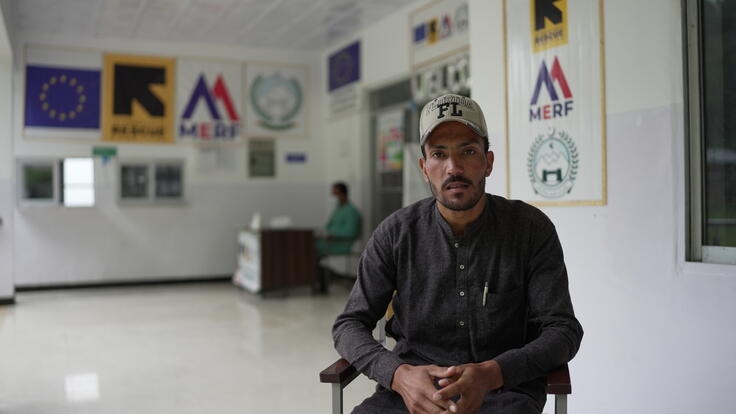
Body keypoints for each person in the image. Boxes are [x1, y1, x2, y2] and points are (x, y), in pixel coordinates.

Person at [332, 94, 583, 414]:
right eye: (439, 154)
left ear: (488, 162)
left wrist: (494, 372)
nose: (453, 167)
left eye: (468, 151)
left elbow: (563, 330)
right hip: (411, 394)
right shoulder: (395, 234)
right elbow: (349, 325)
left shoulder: (530, 230)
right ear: (424, 167)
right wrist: (397, 375)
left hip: (503, 393)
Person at [315, 182, 362, 293]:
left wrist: (332, 235)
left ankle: (323, 281)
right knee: (308, 248)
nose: (333, 197)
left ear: (342, 193)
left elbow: (350, 232)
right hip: (329, 242)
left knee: (312, 250)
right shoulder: (338, 209)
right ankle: (320, 280)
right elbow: (328, 226)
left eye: (335, 194)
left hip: (342, 244)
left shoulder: (351, 211)